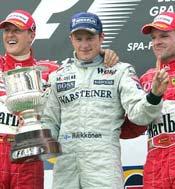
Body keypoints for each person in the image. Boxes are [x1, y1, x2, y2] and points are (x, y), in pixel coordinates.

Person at [41, 11, 169, 189]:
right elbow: (50, 122)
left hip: (103, 166)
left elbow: (139, 115)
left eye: (90, 38)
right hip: (66, 167)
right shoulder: (58, 76)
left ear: (101, 38)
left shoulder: (120, 71)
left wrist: (154, 95)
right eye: (79, 39)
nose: (84, 45)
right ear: (71, 39)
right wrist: (39, 143)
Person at [0, 9, 119, 189]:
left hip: (30, 152)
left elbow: (83, 66)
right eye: (7, 30)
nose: (10, 35)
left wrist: (103, 54)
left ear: (31, 35)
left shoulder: (51, 71)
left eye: (16, 30)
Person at [140, 11, 175, 188]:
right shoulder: (146, 79)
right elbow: (132, 127)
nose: (156, 42)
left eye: (164, 36)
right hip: (155, 169)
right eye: (153, 37)